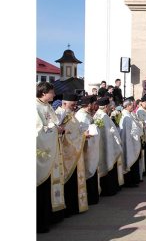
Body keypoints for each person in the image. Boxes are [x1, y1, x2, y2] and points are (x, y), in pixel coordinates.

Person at [36, 82, 65, 233]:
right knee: (40, 190)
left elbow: (52, 123)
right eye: (52, 93)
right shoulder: (35, 107)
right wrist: (56, 129)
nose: (54, 95)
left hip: (51, 153)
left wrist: (58, 128)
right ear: (43, 92)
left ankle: (50, 218)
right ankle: (40, 223)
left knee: (48, 187)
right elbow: (38, 131)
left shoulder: (47, 106)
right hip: (42, 153)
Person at [55, 92, 89, 217]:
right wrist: (82, 137)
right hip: (66, 154)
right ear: (64, 103)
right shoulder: (59, 115)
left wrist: (84, 134)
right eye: (73, 104)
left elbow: (76, 131)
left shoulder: (71, 114)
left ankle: (75, 207)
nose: (75, 106)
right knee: (68, 182)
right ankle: (68, 209)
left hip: (75, 152)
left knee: (74, 181)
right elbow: (62, 134)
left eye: (75, 105)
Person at [93, 96, 124, 196]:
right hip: (108, 146)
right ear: (106, 106)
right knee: (108, 165)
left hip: (102, 146)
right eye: (110, 106)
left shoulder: (97, 115)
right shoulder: (104, 116)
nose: (111, 107)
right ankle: (109, 189)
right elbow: (109, 132)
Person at [75, 95, 100, 206]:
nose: (95, 106)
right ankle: (90, 198)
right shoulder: (81, 116)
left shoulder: (87, 115)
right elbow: (81, 133)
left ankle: (93, 197)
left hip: (92, 148)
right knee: (89, 170)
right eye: (94, 103)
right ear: (89, 104)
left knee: (92, 169)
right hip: (87, 150)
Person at [119, 98, 143, 187]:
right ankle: (130, 181)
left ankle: (135, 179)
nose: (133, 106)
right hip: (129, 142)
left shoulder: (130, 115)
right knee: (130, 160)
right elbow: (129, 131)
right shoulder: (126, 117)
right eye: (131, 105)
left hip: (133, 142)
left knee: (134, 160)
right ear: (127, 106)